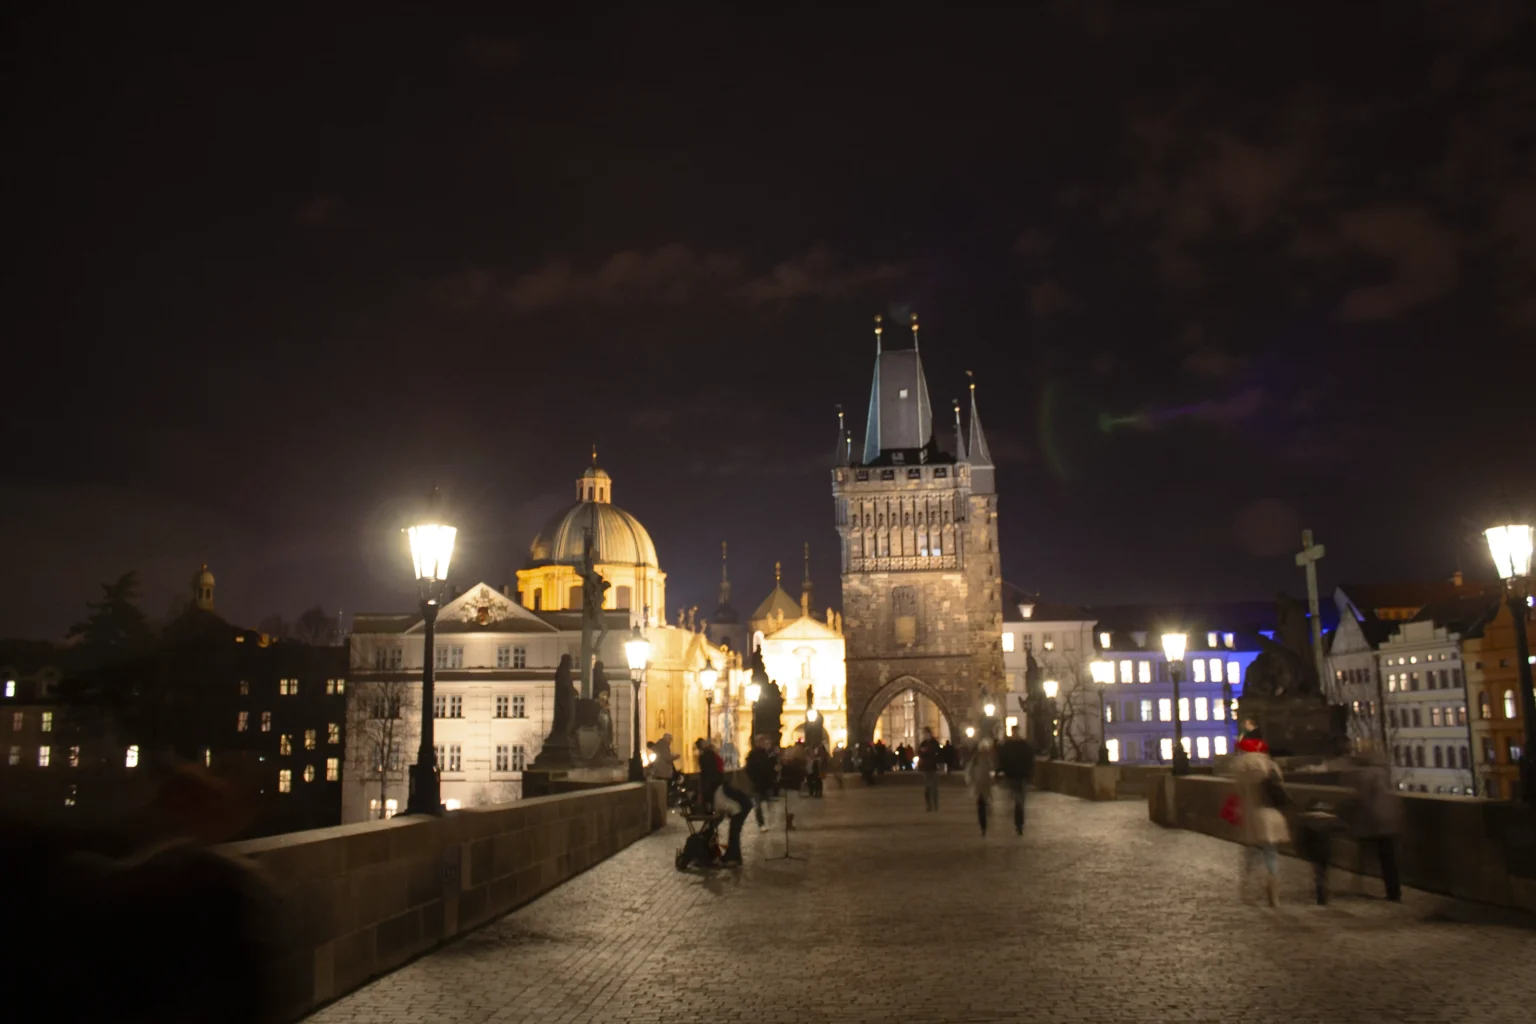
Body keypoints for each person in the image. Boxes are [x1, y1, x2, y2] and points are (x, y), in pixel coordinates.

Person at [1231, 729, 1290, 907]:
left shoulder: (1242, 766)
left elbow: (1239, 792)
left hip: (1253, 815)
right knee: (1271, 855)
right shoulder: (1271, 766)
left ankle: (1246, 889)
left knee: (1250, 854)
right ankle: (1274, 895)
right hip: (1272, 815)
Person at [1343, 753, 1404, 901]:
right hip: (1390, 820)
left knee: (1363, 854)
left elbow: (1362, 799)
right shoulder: (1384, 774)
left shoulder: (1363, 776)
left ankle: (1357, 884)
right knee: (1389, 859)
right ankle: (1394, 891)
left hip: (1374, 822)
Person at [697, 737, 751, 864]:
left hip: (736, 803)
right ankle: (731, 854)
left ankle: (733, 856)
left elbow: (734, 809)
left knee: (734, 826)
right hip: (727, 795)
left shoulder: (707, 759)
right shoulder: (710, 759)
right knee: (728, 825)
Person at [1296, 800, 1343, 905]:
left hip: (1314, 851)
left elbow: (1302, 839)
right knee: (1323, 872)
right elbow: (1342, 827)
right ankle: (1322, 892)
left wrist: (1302, 851)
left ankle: (1321, 892)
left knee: (1319, 873)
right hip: (1327, 850)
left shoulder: (1307, 821)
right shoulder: (1329, 820)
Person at [996, 729, 1036, 835]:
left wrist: (1003, 771)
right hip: (1020, 775)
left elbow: (1002, 759)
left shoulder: (1008, 746)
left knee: (1018, 798)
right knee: (1020, 798)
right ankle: (1019, 823)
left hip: (1014, 775)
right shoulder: (1024, 745)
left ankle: (1018, 822)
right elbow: (1030, 759)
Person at [966, 736, 997, 836]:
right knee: (982, 804)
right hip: (981, 784)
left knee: (982, 804)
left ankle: (984, 824)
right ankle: (984, 824)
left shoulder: (985, 757)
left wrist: (971, 780)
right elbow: (970, 770)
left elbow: (992, 769)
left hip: (982, 784)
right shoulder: (980, 758)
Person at [746, 734, 777, 830]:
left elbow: (771, 767)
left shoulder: (767, 754)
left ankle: (769, 822)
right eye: (761, 741)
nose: (763, 743)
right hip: (757, 783)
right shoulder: (753, 754)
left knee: (769, 804)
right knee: (758, 805)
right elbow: (749, 768)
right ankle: (761, 824)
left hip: (766, 783)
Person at [917, 727, 942, 811]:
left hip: (932, 766)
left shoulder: (934, 742)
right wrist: (922, 751)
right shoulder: (923, 743)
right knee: (927, 787)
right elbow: (919, 752)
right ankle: (929, 805)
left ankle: (935, 805)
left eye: (926, 733)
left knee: (934, 787)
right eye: (924, 733)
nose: (925, 735)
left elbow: (937, 751)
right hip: (925, 767)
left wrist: (927, 751)